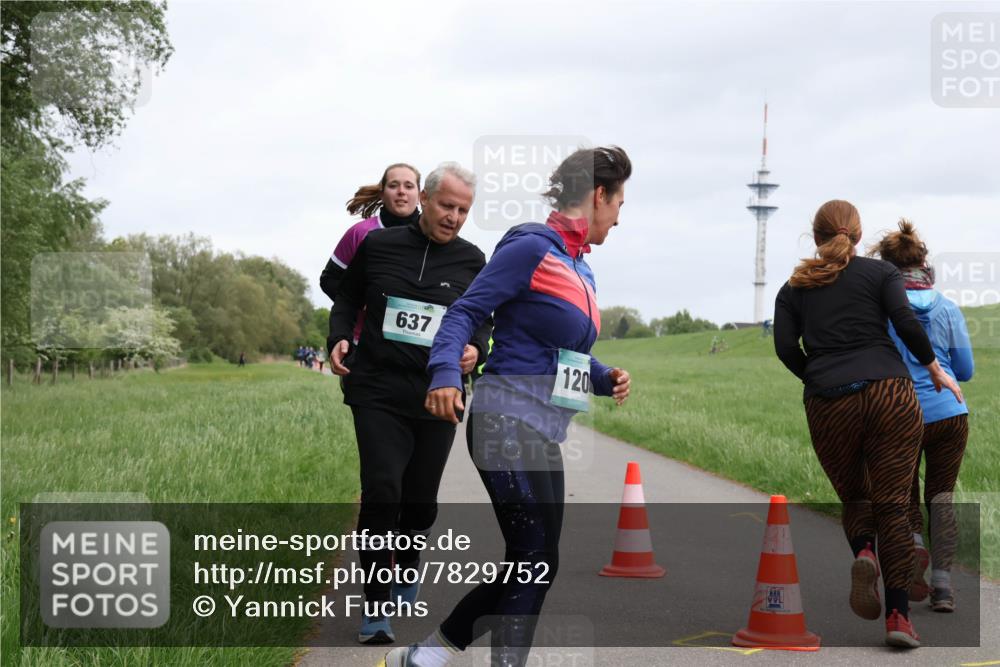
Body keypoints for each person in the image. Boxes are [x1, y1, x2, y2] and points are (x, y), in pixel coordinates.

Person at [386, 146, 633, 667]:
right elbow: (464, 314)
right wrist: (446, 373)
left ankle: (426, 657)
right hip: (503, 418)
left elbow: (565, 355)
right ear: (598, 195)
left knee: (538, 563)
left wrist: (603, 377)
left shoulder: (581, 271)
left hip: (543, 430)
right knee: (532, 559)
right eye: (618, 203)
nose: (618, 216)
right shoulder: (531, 246)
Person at [773, 200, 963, 649]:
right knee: (895, 504)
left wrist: (816, 377)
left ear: (816, 237)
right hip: (890, 394)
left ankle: (864, 552)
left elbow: (785, 347)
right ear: (858, 237)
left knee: (856, 495)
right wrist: (934, 368)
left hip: (828, 400)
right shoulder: (882, 275)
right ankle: (898, 617)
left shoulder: (794, 286)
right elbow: (904, 323)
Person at [328, 162, 491, 645]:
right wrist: (338, 337)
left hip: (436, 394)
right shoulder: (377, 246)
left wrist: (475, 349)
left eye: (464, 210)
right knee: (382, 491)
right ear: (425, 200)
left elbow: (482, 321)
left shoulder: (471, 260)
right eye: (447, 206)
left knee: (418, 502)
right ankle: (376, 607)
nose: (454, 217)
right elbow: (345, 299)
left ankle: (409, 560)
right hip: (376, 387)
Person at [871, 219, 974, 612]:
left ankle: (915, 552)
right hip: (951, 412)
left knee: (906, 491)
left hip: (901, 413)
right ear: (923, 263)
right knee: (942, 496)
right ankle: (944, 588)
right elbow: (963, 372)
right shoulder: (948, 308)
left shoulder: (882, 308)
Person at [321, 163, 422, 350]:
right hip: (364, 345)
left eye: (409, 186)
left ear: (420, 195)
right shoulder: (360, 233)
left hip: (417, 351)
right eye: (393, 185)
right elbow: (329, 280)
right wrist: (365, 303)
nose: (401, 191)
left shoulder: (432, 237)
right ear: (382, 193)